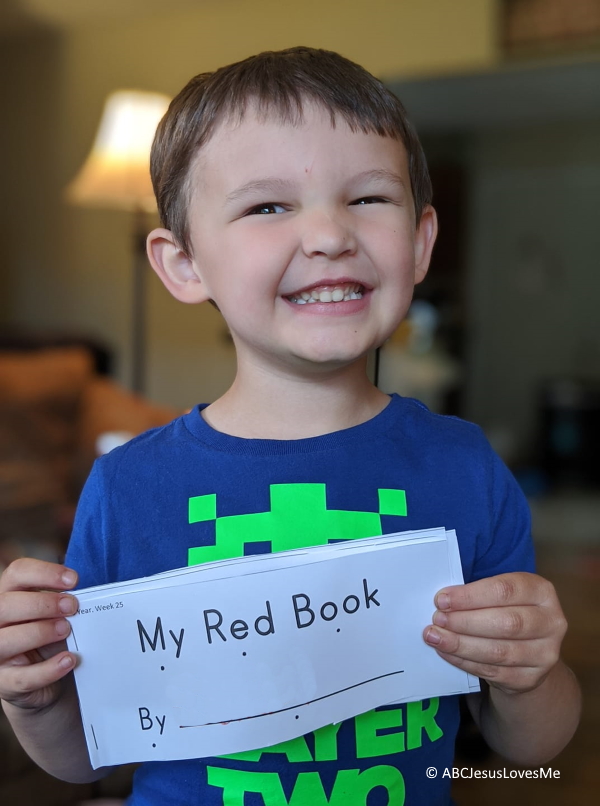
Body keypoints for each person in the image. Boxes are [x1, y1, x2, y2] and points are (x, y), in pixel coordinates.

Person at [0, 47, 580, 805]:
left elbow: (527, 747)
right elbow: (86, 762)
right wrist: (33, 698)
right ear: (183, 265)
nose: (330, 234)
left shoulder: (464, 468)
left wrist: (530, 671)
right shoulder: (128, 488)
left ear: (420, 243)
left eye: (369, 198)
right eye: (267, 206)